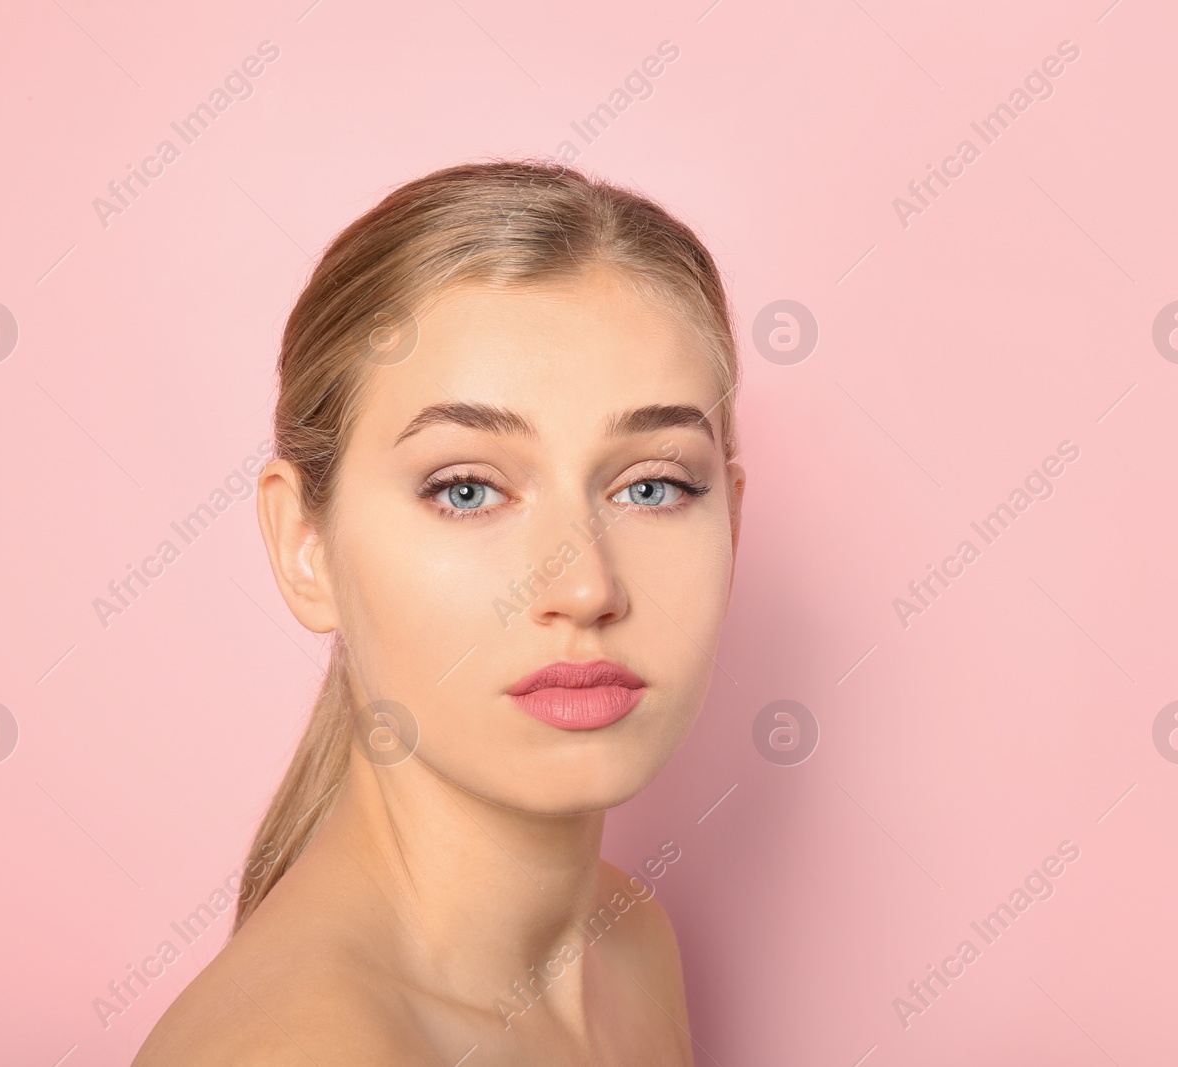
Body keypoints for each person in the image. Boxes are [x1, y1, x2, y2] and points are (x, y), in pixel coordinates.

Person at [134, 159, 746, 1065]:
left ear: (735, 518)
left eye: (653, 484)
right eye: (467, 490)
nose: (587, 588)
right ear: (305, 545)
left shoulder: (631, 944)